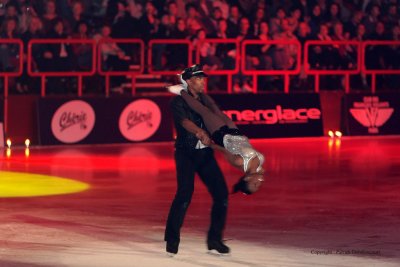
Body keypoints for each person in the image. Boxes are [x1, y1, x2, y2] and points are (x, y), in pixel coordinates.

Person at [168, 64, 265, 195]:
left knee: (204, 111)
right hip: (235, 131)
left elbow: (224, 151)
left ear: (246, 178)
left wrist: (211, 144)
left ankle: (180, 91)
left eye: (254, 184)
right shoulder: (260, 169)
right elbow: (256, 171)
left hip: (222, 135)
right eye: (257, 186)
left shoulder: (239, 162)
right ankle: (196, 90)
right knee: (215, 108)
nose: (258, 184)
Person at [164, 64, 230, 256]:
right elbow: (184, 122)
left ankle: (214, 239)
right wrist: (199, 131)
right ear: (189, 81)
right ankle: (172, 239)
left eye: (203, 78)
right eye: (199, 78)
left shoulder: (206, 101)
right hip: (186, 153)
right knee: (184, 194)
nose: (203, 81)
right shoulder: (178, 102)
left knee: (221, 194)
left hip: (205, 154)